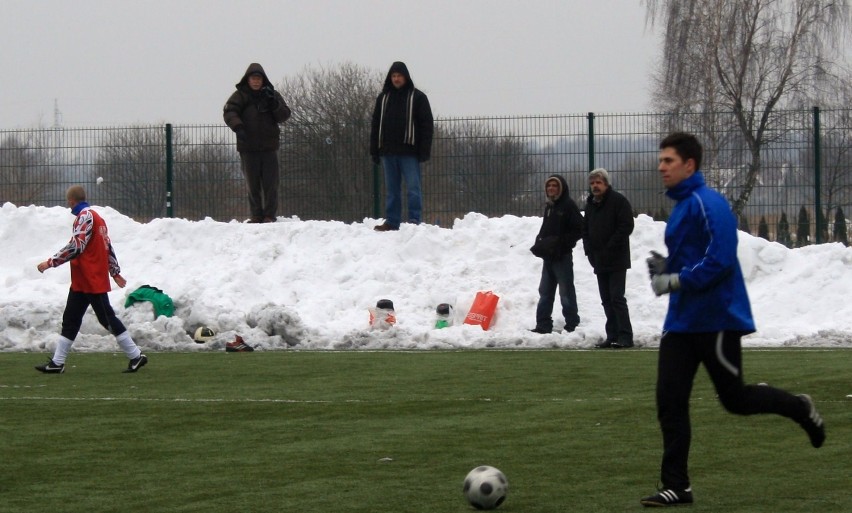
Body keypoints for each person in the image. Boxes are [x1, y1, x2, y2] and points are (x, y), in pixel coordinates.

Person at [641, 132, 825, 507]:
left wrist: (675, 278)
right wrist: (668, 267)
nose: (661, 167)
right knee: (669, 400)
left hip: (717, 321)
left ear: (689, 165)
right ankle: (677, 485)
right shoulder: (681, 208)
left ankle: (799, 407)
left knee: (735, 399)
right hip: (681, 324)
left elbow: (720, 260)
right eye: (661, 160)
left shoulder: (710, 204)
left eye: (668, 161)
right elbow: (693, 259)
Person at [35, 185, 148, 374]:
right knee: (70, 319)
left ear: (71, 201)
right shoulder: (98, 218)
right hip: (83, 280)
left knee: (107, 319)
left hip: (91, 279)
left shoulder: (85, 217)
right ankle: (57, 363)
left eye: (68, 202)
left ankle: (136, 355)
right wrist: (114, 271)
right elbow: (107, 246)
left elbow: (76, 246)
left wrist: (50, 262)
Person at [224, 63, 292, 223]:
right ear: (247, 80)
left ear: (263, 80)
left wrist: (273, 104)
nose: (255, 82)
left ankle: (269, 215)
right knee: (252, 184)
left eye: (258, 79)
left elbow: (284, 115)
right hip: (248, 147)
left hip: (269, 147)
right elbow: (229, 111)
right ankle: (256, 215)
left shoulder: (272, 95)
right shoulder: (239, 96)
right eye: (253, 78)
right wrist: (238, 126)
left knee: (271, 184)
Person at [370, 61, 434, 231]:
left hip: (409, 152)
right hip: (387, 151)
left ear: (406, 77)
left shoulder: (418, 97)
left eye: (399, 76)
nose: (396, 79)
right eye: (394, 76)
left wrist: (424, 150)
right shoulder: (383, 99)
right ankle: (392, 221)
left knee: (413, 188)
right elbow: (375, 125)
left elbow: (427, 125)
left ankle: (414, 220)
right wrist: (374, 150)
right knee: (392, 190)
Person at [582, 168, 634, 348]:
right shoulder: (590, 205)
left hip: (617, 259)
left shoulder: (619, 201)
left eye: (598, 182)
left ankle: (626, 336)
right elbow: (585, 231)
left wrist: (610, 246)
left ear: (606, 183)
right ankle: (612, 335)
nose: (595, 186)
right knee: (606, 299)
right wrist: (589, 251)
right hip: (599, 260)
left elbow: (626, 226)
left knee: (617, 298)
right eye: (592, 183)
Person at [529, 175, 583, 334]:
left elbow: (580, 228)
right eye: (549, 186)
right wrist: (541, 241)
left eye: (555, 186)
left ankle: (572, 324)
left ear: (561, 188)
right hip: (549, 257)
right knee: (545, 292)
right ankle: (543, 324)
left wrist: (562, 244)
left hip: (562, 256)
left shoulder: (568, 205)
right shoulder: (550, 206)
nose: (551, 188)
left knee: (565, 292)